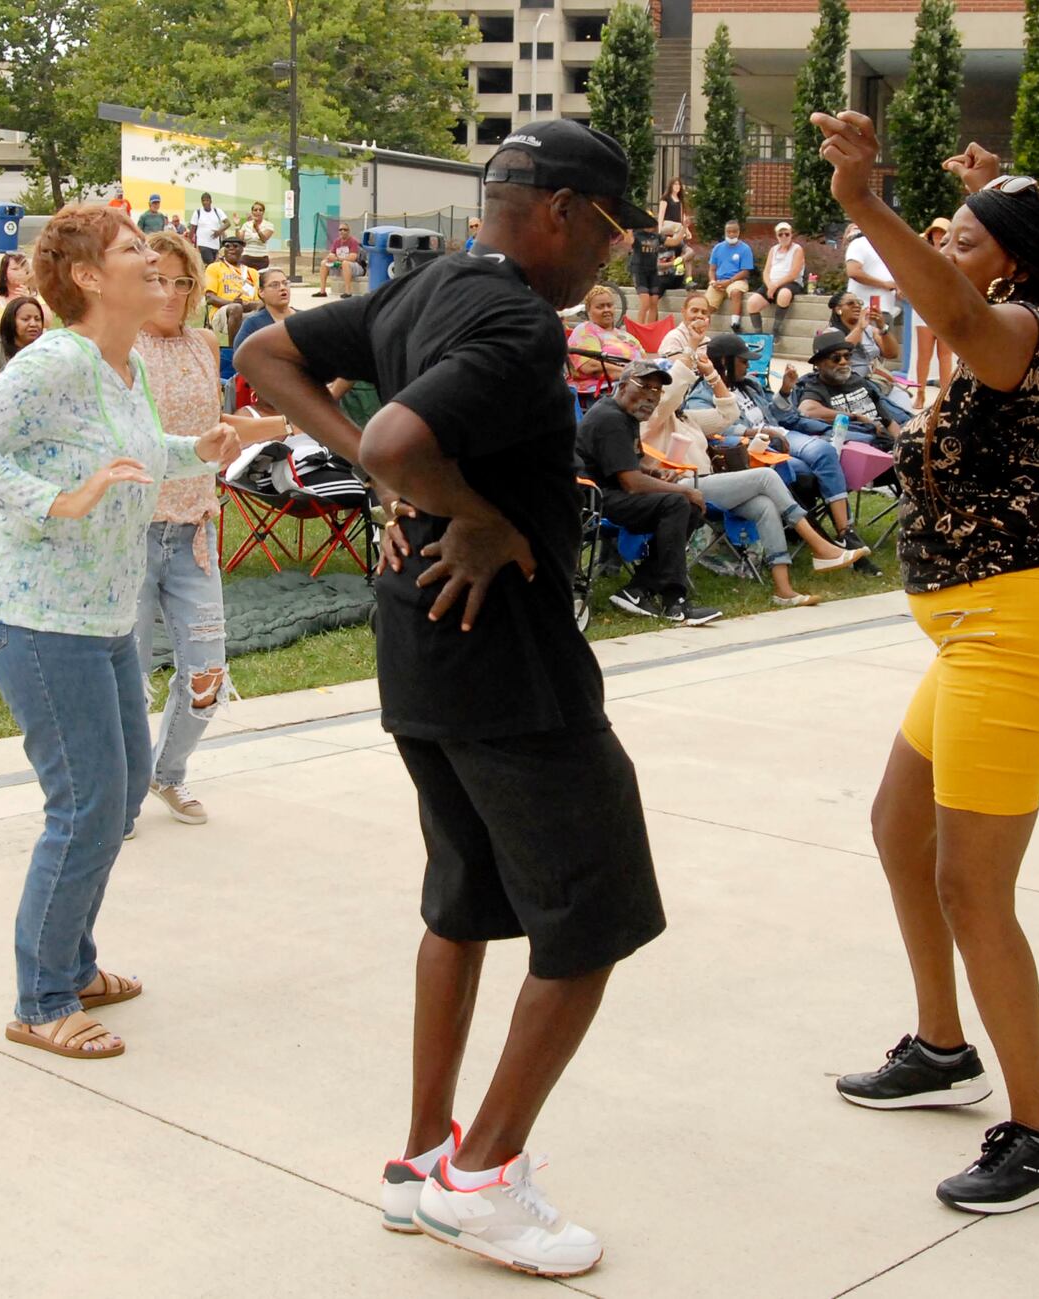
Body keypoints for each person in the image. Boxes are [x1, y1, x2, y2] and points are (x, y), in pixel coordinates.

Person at [237, 117, 665, 1277]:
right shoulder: (517, 321)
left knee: (464, 901)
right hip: (509, 663)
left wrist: (395, 487)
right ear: (566, 213)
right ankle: (482, 1178)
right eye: (612, 234)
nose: (609, 260)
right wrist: (458, 510)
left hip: (421, 656)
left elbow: (266, 358)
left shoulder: (422, 288)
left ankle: (422, 1156)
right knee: (595, 915)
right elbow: (391, 434)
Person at [815, 112, 1039, 1213]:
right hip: (978, 630)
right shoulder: (1035, 321)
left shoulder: (1022, 332)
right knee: (896, 827)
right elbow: (974, 271)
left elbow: (952, 302)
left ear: (1008, 265)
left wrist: (863, 199)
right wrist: (987, 195)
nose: (948, 251)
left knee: (971, 886)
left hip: (1017, 628)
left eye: (965, 237)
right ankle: (942, 1049)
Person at [0, 203, 242, 1062]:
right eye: (136, 251)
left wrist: (196, 449)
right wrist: (51, 501)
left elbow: (131, 452)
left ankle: (73, 960)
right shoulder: (57, 362)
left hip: (103, 618)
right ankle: (40, 1000)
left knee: (124, 785)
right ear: (89, 278)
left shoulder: (125, 364)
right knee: (87, 804)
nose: (158, 264)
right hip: (39, 619)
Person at [136, 229, 248, 825]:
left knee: (206, 670)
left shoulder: (205, 344)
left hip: (195, 531)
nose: (172, 292)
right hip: (129, 530)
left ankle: (167, 773)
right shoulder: (117, 346)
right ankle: (123, 791)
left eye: (183, 281)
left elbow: (216, 424)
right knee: (123, 675)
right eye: (157, 279)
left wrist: (288, 424)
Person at [643, 346, 871, 591]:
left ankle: (784, 590)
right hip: (677, 487)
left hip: (705, 484)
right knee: (765, 476)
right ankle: (820, 545)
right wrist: (687, 357)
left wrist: (711, 374)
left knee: (765, 505)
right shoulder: (651, 419)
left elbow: (728, 413)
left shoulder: (686, 417)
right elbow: (672, 393)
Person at [579, 360, 723, 624]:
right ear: (623, 387)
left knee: (685, 507)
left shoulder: (626, 414)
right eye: (644, 386)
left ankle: (638, 589)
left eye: (657, 390)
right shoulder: (610, 419)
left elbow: (634, 461)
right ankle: (674, 600)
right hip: (593, 498)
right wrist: (683, 490)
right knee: (678, 503)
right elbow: (632, 483)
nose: (651, 396)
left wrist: (655, 472)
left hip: (611, 490)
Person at [796, 330, 903, 449]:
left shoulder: (858, 381)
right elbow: (807, 410)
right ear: (818, 363)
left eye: (847, 356)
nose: (843, 362)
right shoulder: (815, 385)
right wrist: (853, 417)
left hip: (887, 444)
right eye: (836, 358)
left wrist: (901, 446)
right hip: (859, 448)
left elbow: (888, 421)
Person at [826, 289, 910, 423]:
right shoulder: (831, 332)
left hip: (876, 381)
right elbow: (840, 351)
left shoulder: (870, 331)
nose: (857, 306)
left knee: (902, 397)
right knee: (896, 415)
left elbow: (892, 353)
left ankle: (908, 424)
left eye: (859, 303)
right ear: (838, 310)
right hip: (851, 385)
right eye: (850, 303)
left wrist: (883, 327)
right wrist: (859, 327)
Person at [567, 283, 643, 409]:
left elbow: (644, 361)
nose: (606, 309)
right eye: (600, 307)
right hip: (602, 394)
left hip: (633, 387)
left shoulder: (626, 336)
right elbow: (589, 366)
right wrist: (632, 374)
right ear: (589, 310)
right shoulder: (586, 330)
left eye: (609, 305)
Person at [912, 218, 955, 409]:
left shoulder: (954, 255)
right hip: (925, 307)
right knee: (924, 353)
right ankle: (920, 392)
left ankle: (944, 395)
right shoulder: (922, 254)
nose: (938, 236)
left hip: (947, 307)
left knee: (945, 354)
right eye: (935, 232)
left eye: (942, 232)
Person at [745, 221, 805, 335]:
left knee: (784, 294)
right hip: (771, 283)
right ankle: (758, 334)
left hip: (790, 283)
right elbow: (766, 271)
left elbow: (793, 274)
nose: (784, 237)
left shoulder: (797, 249)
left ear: (791, 234)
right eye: (780, 234)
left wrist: (775, 286)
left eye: (786, 234)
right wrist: (769, 285)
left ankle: (776, 329)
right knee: (752, 303)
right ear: (776, 236)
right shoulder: (773, 249)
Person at [0, 252, 49, 339]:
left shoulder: (35, 296)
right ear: (4, 273)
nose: (20, 273)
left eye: (24, 269)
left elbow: (47, 322)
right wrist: (10, 319)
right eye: (15, 269)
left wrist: (31, 301)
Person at [0, 296, 46, 381]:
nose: (33, 324)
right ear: (10, 321)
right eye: (25, 319)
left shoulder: (46, 349)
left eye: (37, 319)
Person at [204, 234, 260, 340]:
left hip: (248, 310)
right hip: (222, 313)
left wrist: (247, 305)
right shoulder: (214, 268)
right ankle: (233, 351)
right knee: (236, 308)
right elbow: (210, 298)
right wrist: (234, 304)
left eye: (235, 246)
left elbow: (259, 302)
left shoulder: (252, 272)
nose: (231, 249)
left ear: (242, 249)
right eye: (227, 246)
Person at [705, 220, 754, 330]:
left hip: (737, 280)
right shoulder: (717, 248)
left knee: (736, 292)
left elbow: (745, 271)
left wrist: (730, 281)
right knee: (706, 305)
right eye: (729, 232)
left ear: (738, 232)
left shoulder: (745, 249)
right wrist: (713, 282)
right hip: (719, 281)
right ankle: (703, 328)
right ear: (725, 232)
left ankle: (735, 323)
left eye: (734, 232)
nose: (731, 234)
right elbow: (712, 269)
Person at [231, 266, 291, 351]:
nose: (282, 288)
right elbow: (239, 356)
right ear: (261, 292)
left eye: (285, 283)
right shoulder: (253, 324)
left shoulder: (302, 319)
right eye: (275, 285)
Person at [845, 223, 898, 320]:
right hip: (866, 309)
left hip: (887, 308)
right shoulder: (860, 243)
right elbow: (853, 272)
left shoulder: (890, 247)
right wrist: (884, 284)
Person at [657, 291, 711, 366]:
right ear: (683, 312)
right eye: (694, 311)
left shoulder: (708, 341)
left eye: (704, 312)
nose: (699, 315)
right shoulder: (674, 338)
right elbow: (676, 369)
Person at [657, 177, 694, 281]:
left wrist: (687, 230)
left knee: (680, 243)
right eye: (675, 184)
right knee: (676, 236)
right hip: (668, 225)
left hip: (678, 227)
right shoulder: (665, 199)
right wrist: (660, 229)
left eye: (679, 185)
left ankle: (679, 264)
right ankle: (678, 264)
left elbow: (683, 217)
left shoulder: (680, 201)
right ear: (671, 186)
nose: (677, 186)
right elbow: (661, 215)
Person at [628, 219, 663, 325]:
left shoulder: (656, 237)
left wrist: (684, 228)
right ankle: (640, 328)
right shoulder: (637, 235)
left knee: (654, 302)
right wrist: (629, 228)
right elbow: (629, 241)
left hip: (653, 271)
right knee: (645, 303)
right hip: (639, 270)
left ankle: (650, 328)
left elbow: (674, 241)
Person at [315, 222, 362, 298]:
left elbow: (353, 257)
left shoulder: (353, 241)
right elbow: (332, 254)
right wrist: (331, 257)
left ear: (348, 231)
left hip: (355, 267)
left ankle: (348, 292)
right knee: (324, 263)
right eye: (340, 230)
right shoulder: (336, 242)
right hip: (340, 265)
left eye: (345, 229)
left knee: (345, 263)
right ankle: (322, 291)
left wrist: (337, 258)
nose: (342, 231)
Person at [189, 192, 229, 265]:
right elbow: (192, 229)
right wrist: (189, 243)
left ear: (211, 201)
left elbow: (228, 223)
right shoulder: (198, 212)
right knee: (211, 264)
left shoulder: (217, 211)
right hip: (203, 244)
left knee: (212, 266)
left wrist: (219, 231)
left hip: (215, 245)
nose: (205, 202)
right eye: (203, 201)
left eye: (207, 200)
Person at [238, 201, 275, 271]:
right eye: (255, 210)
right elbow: (240, 240)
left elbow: (264, 239)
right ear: (252, 212)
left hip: (261, 258)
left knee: (260, 280)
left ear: (263, 212)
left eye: (260, 210)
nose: (258, 212)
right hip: (246, 257)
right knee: (245, 279)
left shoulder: (269, 225)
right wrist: (237, 226)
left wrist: (257, 229)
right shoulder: (246, 225)